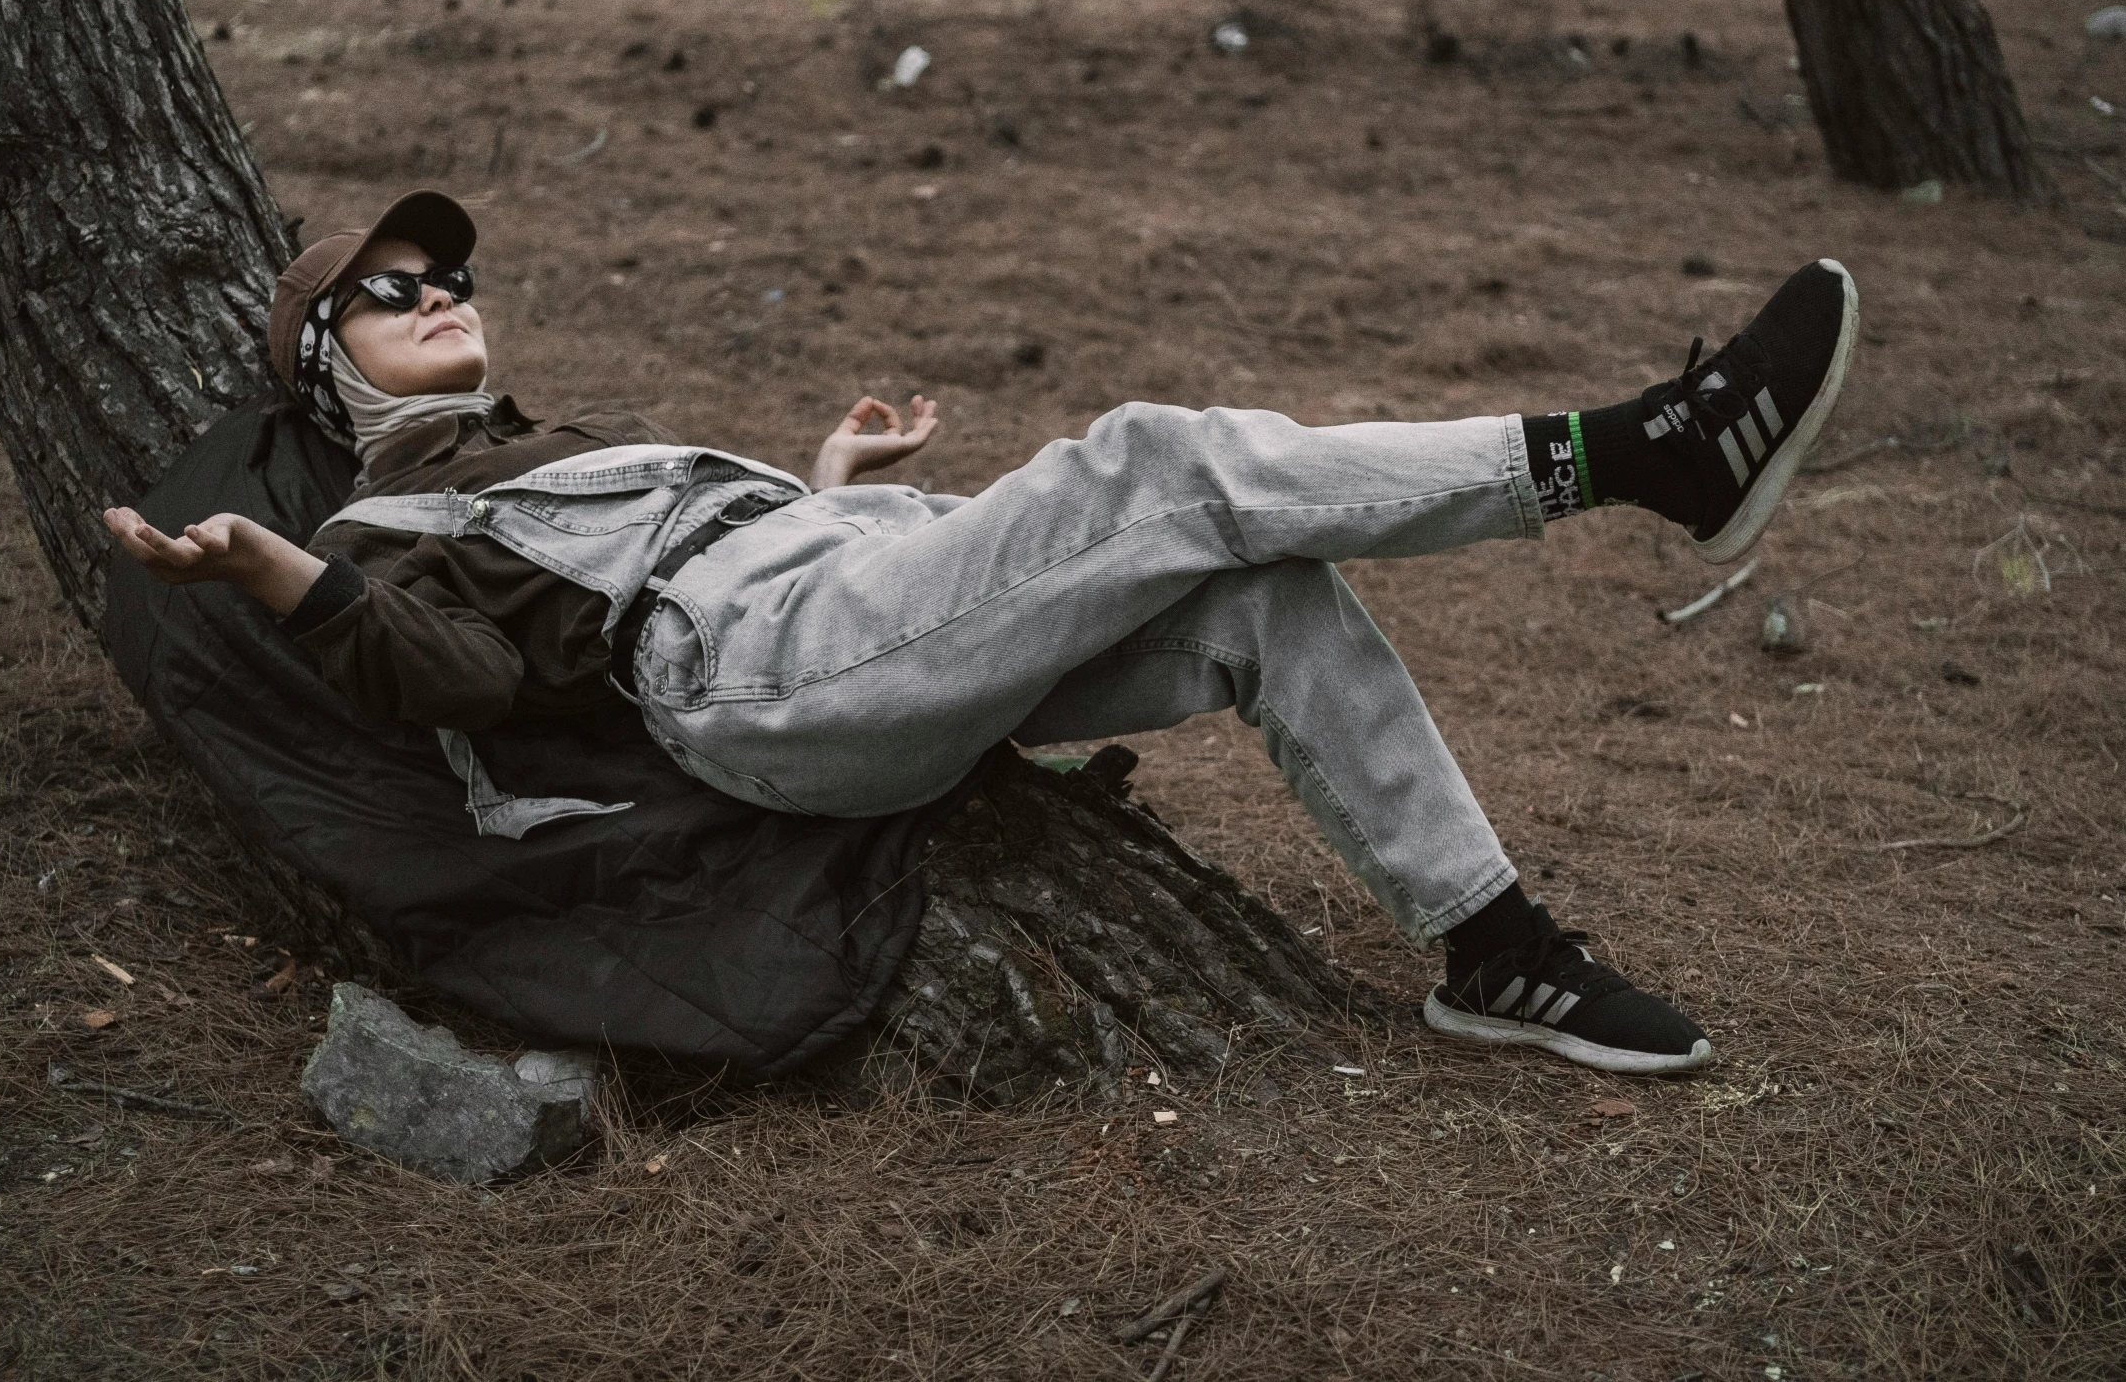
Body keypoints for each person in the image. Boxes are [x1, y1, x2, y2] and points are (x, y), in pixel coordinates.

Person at [106, 189, 1860, 1077]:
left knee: (1259, 588)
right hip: (761, 676)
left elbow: (672, 557)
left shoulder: (543, 450)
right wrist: (279, 574)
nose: (439, 299)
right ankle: (1640, 450)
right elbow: (472, 681)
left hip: (848, 591)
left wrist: (825, 481)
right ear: (322, 362)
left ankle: (1494, 950)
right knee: (1160, 459)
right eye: (387, 295)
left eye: (452, 279)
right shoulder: (381, 518)